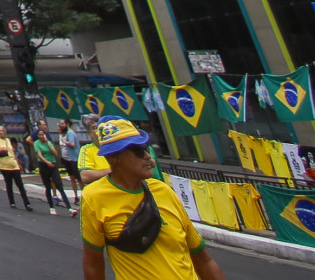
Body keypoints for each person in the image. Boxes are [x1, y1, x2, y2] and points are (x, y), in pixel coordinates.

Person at [79, 118, 225, 280]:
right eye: (138, 151)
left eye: (146, 149)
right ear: (114, 157)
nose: (149, 157)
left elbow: (202, 258)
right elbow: (93, 265)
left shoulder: (163, 191)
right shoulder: (94, 198)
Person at [0, 125, 31, 211]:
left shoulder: (7, 140)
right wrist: (1, 150)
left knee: (20, 185)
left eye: (2, 131)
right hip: (4, 166)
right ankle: (12, 202)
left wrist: (18, 164)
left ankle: (27, 203)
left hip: (13, 164)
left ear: (5, 132)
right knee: (9, 184)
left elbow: (12, 153)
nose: (0, 132)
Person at [31, 128, 70, 215]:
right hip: (44, 165)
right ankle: (51, 207)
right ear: (38, 136)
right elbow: (40, 155)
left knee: (59, 184)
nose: (41, 136)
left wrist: (48, 143)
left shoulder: (48, 142)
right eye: (40, 135)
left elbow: (56, 153)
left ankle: (70, 208)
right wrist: (47, 162)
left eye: (43, 135)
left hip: (53, 164)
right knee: (48, 186)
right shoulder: (36, 143)